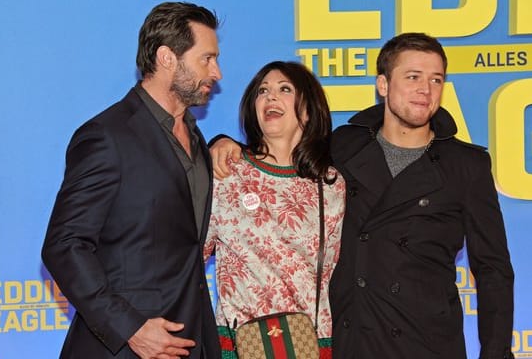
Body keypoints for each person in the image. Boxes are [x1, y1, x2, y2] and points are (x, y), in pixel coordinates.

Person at [210, 33, 514, 359]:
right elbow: (283, 154)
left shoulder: (466, 166)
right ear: (382, 85)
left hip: (427, 344)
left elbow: (493, 269)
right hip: (351, 342)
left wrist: (496, 354)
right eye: (413, 77)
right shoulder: (344, 146)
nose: (425, 90)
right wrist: (224, 144)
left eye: (435, 79)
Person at [41, 2, 222, 358]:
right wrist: (130, 328)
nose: (217, 72)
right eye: (207, 59)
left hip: (191, 340)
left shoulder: (198, 139)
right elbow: (64, 244)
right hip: (127, 347)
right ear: (168, 58)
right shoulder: (107, 136)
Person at [203, 61, 345, 358]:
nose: (270, 97)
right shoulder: (228, 172)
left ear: (308, 110)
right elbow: (189, 255)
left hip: (307, 343)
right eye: (262, 91)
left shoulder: (330, 184)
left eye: (284, 89)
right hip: (240, 344)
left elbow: (332, 271)